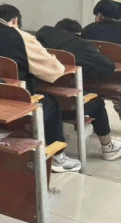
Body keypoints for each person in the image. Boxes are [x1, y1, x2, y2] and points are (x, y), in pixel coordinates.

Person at [0, 5, 84, 172]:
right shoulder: (21, 37)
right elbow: (54, 71)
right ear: (15, 20)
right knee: (51, 104)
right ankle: (58, 158)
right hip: (15, 103)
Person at [35, 18, 121, 159]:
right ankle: (108, 147)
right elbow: (108, 68)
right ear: (76, 34)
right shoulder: (78, 45)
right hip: (68, 108)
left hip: (42, 105)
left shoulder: (36, 40)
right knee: (97, 103)